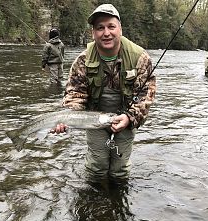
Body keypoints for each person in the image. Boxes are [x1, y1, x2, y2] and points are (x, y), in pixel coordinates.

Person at [52, 4, 156, 181]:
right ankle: (95, 198)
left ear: (120, 29)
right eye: (100, 28)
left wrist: (129, 117)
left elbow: (146, 96)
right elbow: (75, 94)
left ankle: (116, 200)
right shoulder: (83, 60)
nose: (106, 33)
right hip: (94, 120)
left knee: (120, 170)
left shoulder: (140, 58)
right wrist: (68, 117)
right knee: (96, 167)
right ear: (93, 33)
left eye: (111, 26)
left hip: (126, 117)